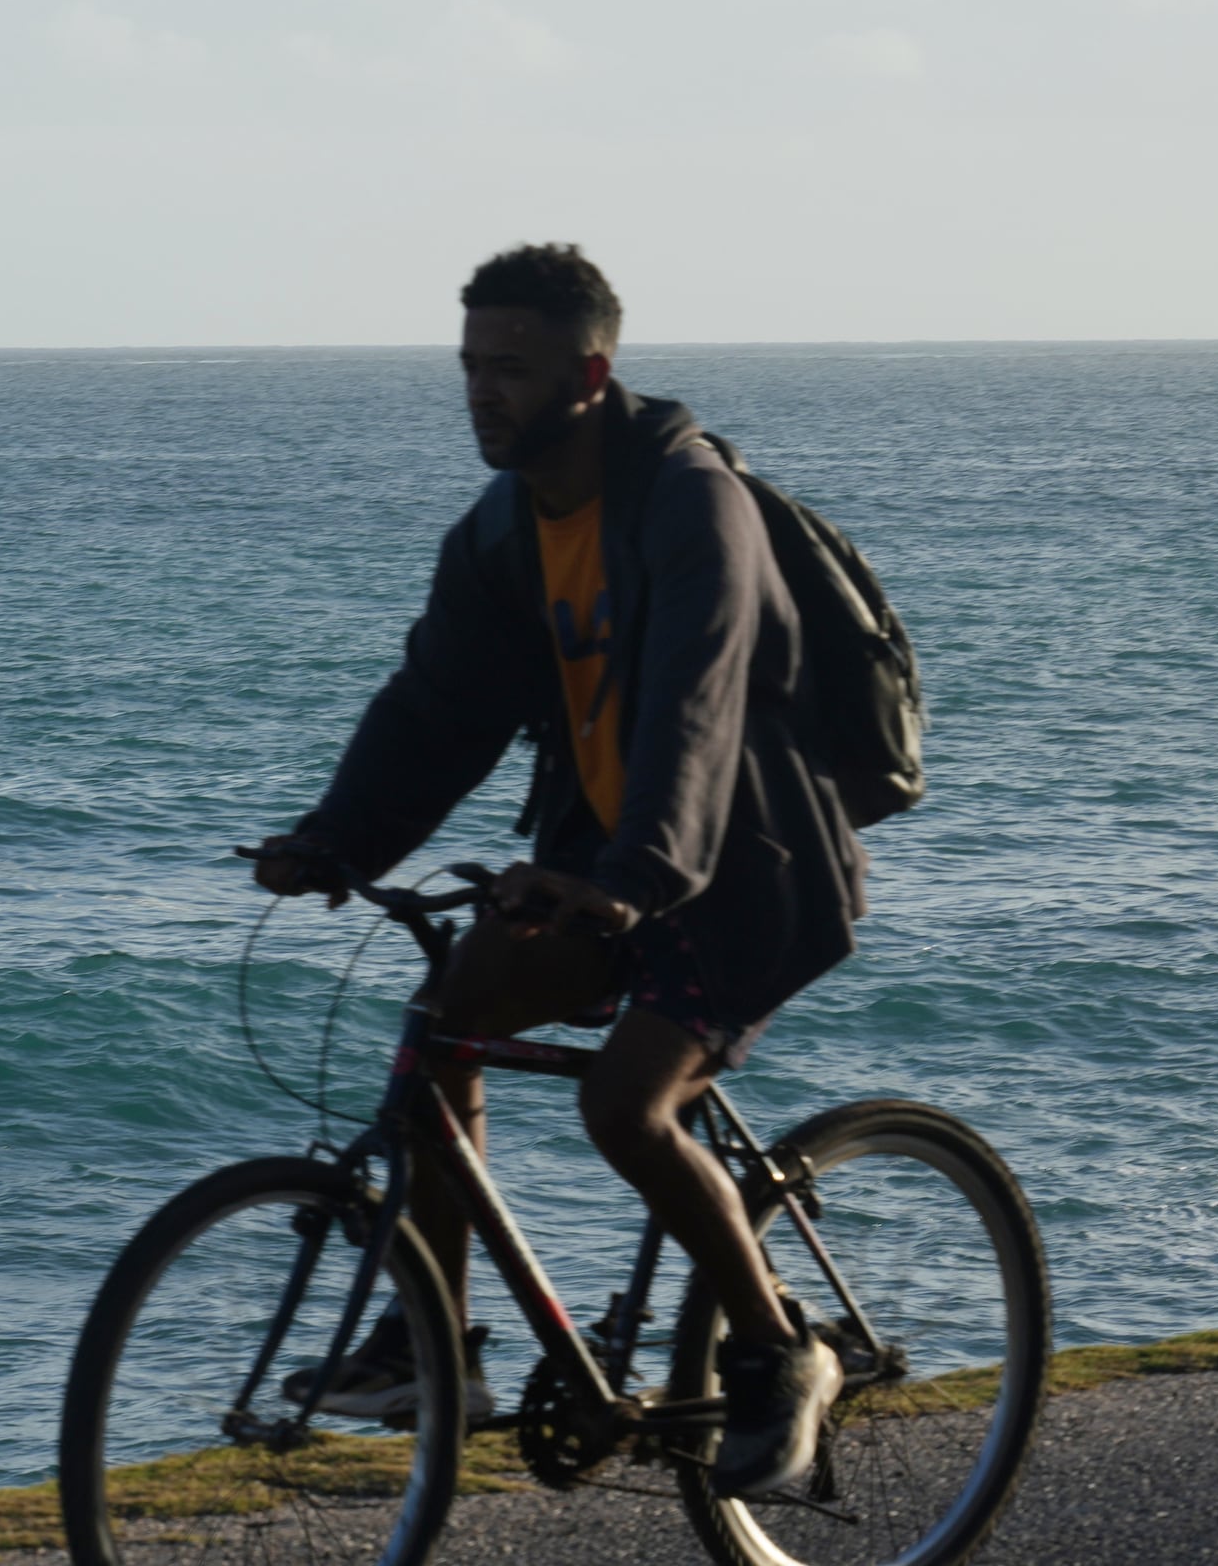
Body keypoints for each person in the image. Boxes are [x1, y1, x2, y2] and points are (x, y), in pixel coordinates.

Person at [252, 243, 870, 1500]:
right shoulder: (505, 531)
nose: (484, 393)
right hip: (608, 861)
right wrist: (336, 839)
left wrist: (636, 877)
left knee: (625, 1107)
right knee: (446, 1024)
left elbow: (697, 706)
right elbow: (437, 706)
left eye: (513, 369)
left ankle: (780, 1349)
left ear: (589, 375)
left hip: (746, 870)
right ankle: (436, 1350)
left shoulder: (692, 504)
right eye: (470, 366)